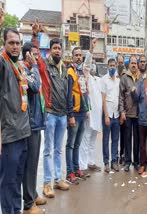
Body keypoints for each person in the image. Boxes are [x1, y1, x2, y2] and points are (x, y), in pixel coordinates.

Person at [32, 27, 70, 197]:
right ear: (51, 50)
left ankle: (58, 179)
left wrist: (69, 114)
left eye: (59, 48)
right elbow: (36, 55)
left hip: (62, 115)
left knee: (58, 149)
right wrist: (35, 36)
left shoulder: (64, 68)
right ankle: (47, 183)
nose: (57, 50)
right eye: (54, 48)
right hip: (50, 113)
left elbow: (67, 92)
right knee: (48, 149)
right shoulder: (45, 66)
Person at [0, 27, 31, 214]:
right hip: (9, 136)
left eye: (18, 43)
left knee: (17, 179)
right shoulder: (3, 64)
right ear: (4, 44)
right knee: (8, 181)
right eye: (11, 42)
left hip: (24, 133)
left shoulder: (19, 66)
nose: (15, 46)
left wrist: (34, 37)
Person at [21, 42, 47, 214]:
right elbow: (36, 87)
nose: (36, 58)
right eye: (33, 55)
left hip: (36, 122)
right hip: (29, 124)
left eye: (38, 55)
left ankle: (33, 193)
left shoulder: (32, 70)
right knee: (29, 164)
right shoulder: (25, 70)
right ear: (26, 55)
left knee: (34, 162)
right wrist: (35, 67)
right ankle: (29, 204)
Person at [65, 46, 90, 184]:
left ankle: (76, 169)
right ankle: (69, 173)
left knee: (78, 144)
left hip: (82, 112)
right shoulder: (70, 71)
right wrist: (70, 115)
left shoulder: (81, 71)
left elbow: (84, 92)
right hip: (74, 113)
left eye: (81, 55)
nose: (79, 57)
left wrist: (87, 109)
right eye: (76, 55)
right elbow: (69, 95)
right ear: (72, 56)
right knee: (70, 144)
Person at [79, 43, 102, 174]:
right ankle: (83, 165)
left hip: (97, 116)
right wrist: (90, 51)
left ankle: (91, 162)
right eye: (91, 63)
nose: (92, 65)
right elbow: (86, 65)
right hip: (89, 114)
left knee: (93, 138)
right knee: (86, 138)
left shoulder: (98, 79)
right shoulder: (86, 77)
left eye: (94, 63)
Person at [120, 56, 140, 172]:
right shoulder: (124, 78)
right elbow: (121, 97)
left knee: (137, 139)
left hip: (137, 114)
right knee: (127, 139)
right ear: (129, 65)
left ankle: (136, 162)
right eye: (132, 63)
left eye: (135, 63)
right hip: (127, 114)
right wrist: (122, 111)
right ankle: (127, 162)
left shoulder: (140, 78)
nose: (133, 65)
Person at [102, 58, 121, 172]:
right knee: (105, 139)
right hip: (108, 115)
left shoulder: (118, 80)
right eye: (110, 66)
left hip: (116, 115)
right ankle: (106, 163)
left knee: (115, 139)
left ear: (116, 66)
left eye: (114, 65)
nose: (112, 67)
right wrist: (105, 115)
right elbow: (103, 99)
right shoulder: (104, 80)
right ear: (108, 66)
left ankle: (114, 161)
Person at [116, 54, 126, 164]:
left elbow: (123, 96)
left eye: (121, 62)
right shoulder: (112, 75)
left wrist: (122, 111)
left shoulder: (125, 76)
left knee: (124, 135)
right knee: (114, 136)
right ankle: (114, 156)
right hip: (113, 112)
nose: (120, 64)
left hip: (122, 112)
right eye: (118, 62)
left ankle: (122, 155)